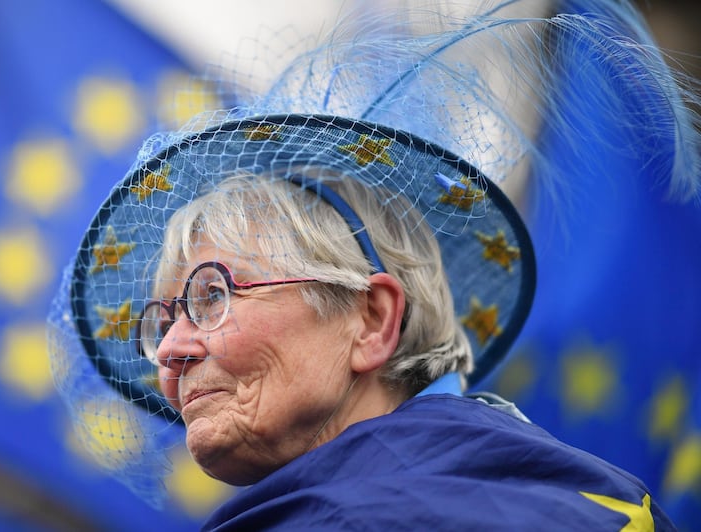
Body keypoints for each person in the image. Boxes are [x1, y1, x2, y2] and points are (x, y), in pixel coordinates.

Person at [48, 0, 699, 529]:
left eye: (213, 295)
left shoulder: (354, 520)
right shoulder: (594, 498)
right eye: (161, 322)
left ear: (372, 318)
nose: (170, 354)